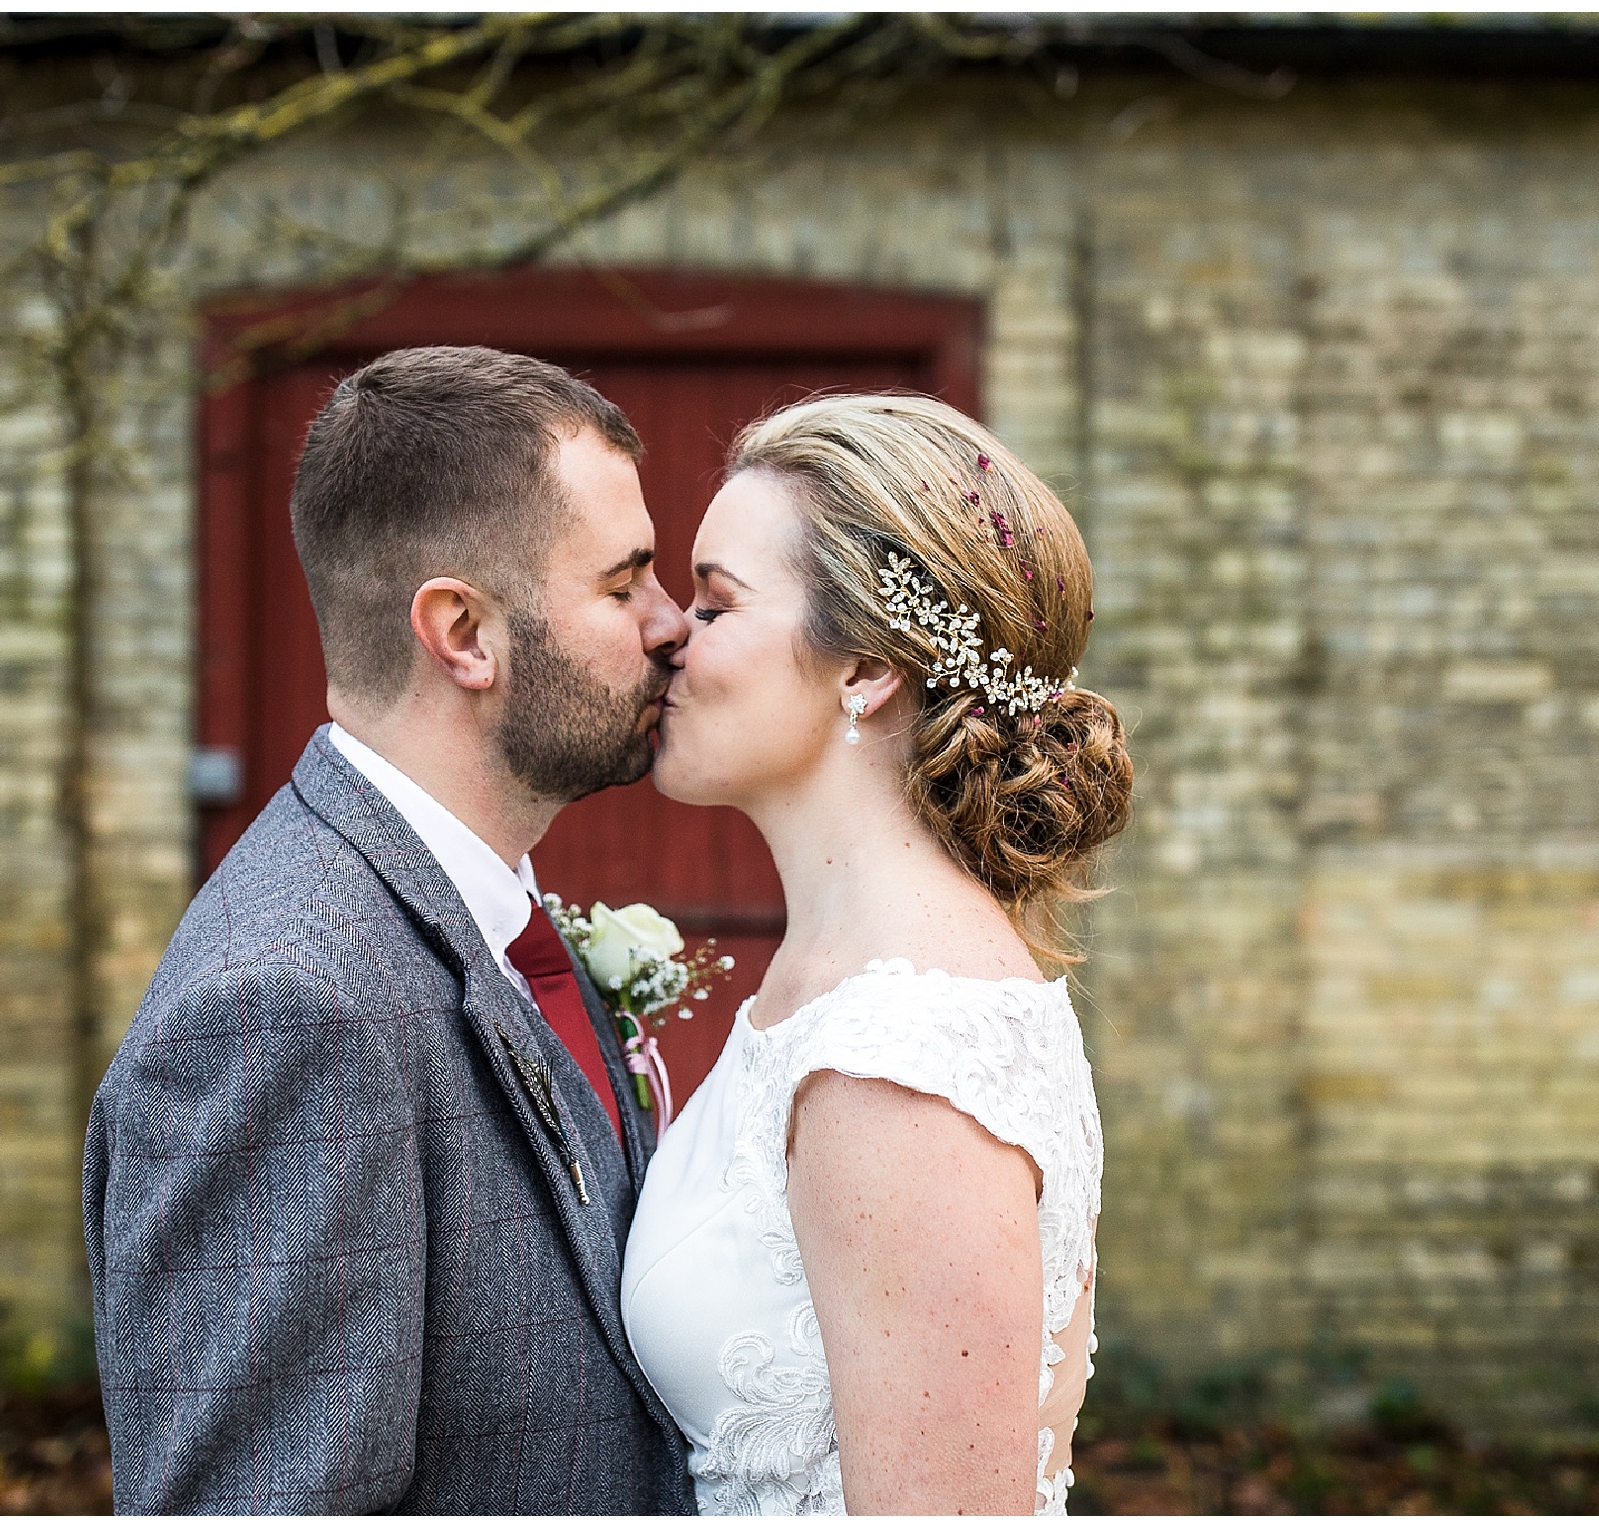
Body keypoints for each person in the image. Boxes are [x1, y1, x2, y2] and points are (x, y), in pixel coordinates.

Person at [84, 345, 698, 1513]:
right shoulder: (282, 1011)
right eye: (625, 586)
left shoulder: (486, 917)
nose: (673, 625)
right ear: (464, 634)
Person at [623, 394, 1134, 1514]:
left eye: (715, 603)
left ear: (864, 668)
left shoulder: (903, 1059)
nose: (668, 633)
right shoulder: (840, 977)